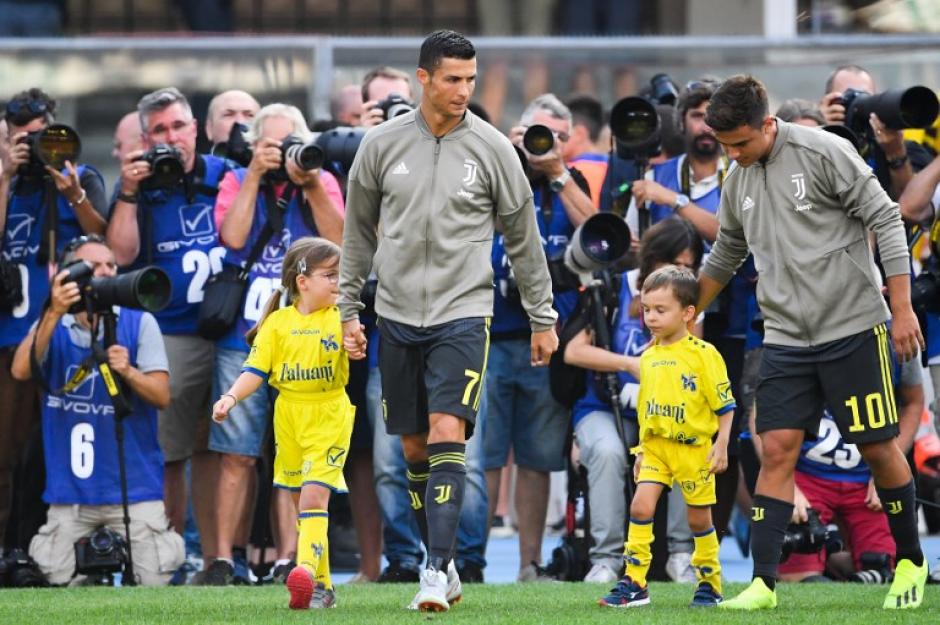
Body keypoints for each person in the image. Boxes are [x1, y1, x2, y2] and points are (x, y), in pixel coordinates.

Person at [338, 30, 558, 612]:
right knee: (413, 448)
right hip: (395, 314)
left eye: (471, 79)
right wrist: (347, 310)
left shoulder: (493, 148)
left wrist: (542, 317)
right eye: (453, 79)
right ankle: (447, 562)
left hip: (464, 313)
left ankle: (434, 570)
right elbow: (356, 236)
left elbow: (524, 239)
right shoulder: (380, 144)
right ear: (424, 78)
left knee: (446, 430)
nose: (464, 90)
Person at [701, 74, 928, 610]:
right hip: (784, 338)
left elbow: (887, 220)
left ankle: (911, 562)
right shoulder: (737, 178)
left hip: (853, 328)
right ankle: (763, 584)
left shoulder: (824, 151)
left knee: (878, 447)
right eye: (725, 146)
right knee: (776, 450)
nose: (732, 155)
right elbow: (728, 250)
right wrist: (691, 311)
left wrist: (901, 310)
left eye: (740, 143)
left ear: (767, 124)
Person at [209, 103, 345, 586]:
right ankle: (224, 559)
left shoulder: (320, 179)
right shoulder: (236, 178)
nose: (283, 154)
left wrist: (310, 182)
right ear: (252, 146)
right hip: (244, 334)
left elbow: (342, 241)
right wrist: (253, 174)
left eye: (291, 144)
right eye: (272, 145)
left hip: (308, 337)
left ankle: (292, 558)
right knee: (237, 453)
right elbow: (232, 237)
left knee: (299, 460)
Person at [11, 235, 183, 585]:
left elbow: (162, 396)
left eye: (111, 266)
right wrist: (53, 311)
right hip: (70, 495)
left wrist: (128, 372)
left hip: (134, 491)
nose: (105, 273)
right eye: (94, 267)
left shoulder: (139, 322)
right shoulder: (52, 323)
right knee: (54, 581)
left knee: (154, 582)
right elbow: (21, 370)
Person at [105, 88, 229, 568]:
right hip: (172, 331)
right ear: (145, 138)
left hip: (230, 331)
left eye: (179, 126)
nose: (171, 137)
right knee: (171, 452)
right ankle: (169, 557)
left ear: (195, 129)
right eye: (160, 130)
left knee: (224, 449)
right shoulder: (138, 183)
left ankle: (221, 559)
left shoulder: (226, 174)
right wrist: (129, 190)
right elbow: (121, 254)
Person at [212, 237, 353, 610]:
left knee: (313, 496)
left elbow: (355, 342)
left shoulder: (340, 317)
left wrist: (355, 343)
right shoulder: (276, 323)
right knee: (301, 504)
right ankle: (322, 587)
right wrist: (230, 398)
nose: (338, 282)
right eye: (330, 275)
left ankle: (303, 569)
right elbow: (255, 371)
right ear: (302, 282)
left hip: (329, 415)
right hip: (288, 417)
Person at [488, 93, 594, 582]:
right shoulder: (496, 172)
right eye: (535, 134)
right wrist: (506, 158)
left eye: (555, 137)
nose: (542, 144)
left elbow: (599, 234)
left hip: (548, 338)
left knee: (535, 459)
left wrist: (556, 172)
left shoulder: (569, 180)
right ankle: (469, 563)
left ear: (568, 141)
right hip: (489, 333)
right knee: (481, 456)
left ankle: (529, 564)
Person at [565, 218, 704, 584]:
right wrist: (629, 365)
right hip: (603, 406)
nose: (681, 273)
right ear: (653, 259)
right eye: (674, 263)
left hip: (663, 412)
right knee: (608, 452)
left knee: (685, 445)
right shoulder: (613, 288)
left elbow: (695, 362)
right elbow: (574, 351)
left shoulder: (689, 303)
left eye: (689, 266)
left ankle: (681, 554)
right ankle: (606, 560)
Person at [0, 88, 109, 550]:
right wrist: (6, 174)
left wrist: (74, 194)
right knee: (6, 453)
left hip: (68, 336)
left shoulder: (81, 175)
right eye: (22, 137)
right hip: (10, 334)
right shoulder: (6, 178)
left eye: (40, 135)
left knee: (52, 452)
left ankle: (51, 550)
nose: (33, 145)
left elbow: (106, 244)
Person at [597, 265, 734, 608]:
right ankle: (635, 581)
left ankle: (710, 583)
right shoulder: (649, 356)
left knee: (698, 519)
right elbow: (648, 408)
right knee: (640, 506)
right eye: (646, 309)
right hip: (656, 448)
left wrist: (721, 445)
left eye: (661, 310)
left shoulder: (704, 355)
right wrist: (642, 450)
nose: (651, 317)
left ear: (688, 313)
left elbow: (725, 405)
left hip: (694, 451)